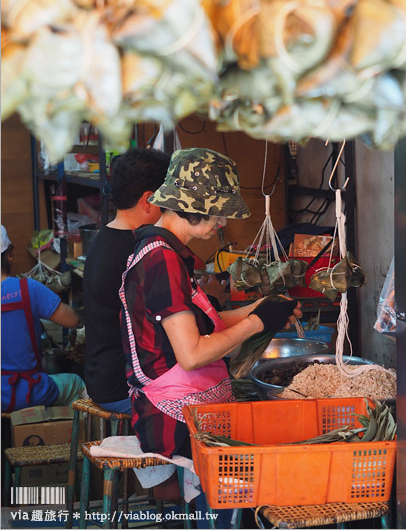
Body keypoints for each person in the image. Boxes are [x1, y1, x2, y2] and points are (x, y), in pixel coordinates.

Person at [120, 147, 301, 463]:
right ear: (193, 208)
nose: (223, 222)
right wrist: (256, 323)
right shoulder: (160, 259)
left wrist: (265, 307)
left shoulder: (170, 252)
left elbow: (207, 320)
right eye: (219, 213)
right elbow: (192, 355)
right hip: (174, 422)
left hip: (193, 409)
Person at [83, 147, 170, 414]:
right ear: (148, 199)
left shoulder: (102, 239)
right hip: (124, 388)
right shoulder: (139, 251)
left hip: (100, 377)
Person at [1, 225, 86, 412]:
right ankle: (66, 437)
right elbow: (72, 320)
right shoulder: (27, 289)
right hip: (28, 391)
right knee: (76, 383)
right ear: (9, 255)